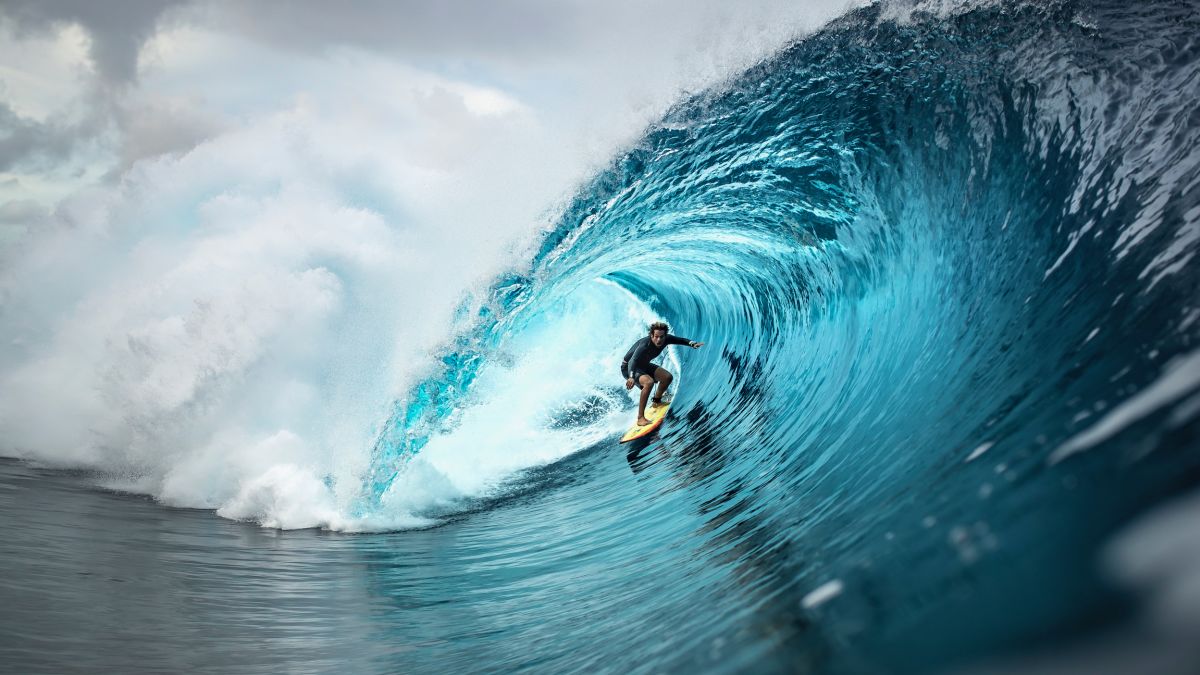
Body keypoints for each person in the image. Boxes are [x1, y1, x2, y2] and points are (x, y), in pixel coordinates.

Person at [621, 321, 704, 426]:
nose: (659, 340)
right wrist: (631, 377)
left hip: (644, 365)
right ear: (651, 335)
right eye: (656, 336)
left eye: (661, 337)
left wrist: (692, 343)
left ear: (665, 335)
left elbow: (681, 340)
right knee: (649, 383)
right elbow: (632, 361)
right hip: (629, 368)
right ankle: (640, 418)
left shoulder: (666, 339)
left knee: (667, 377)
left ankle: (657, 401)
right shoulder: (645, 345)